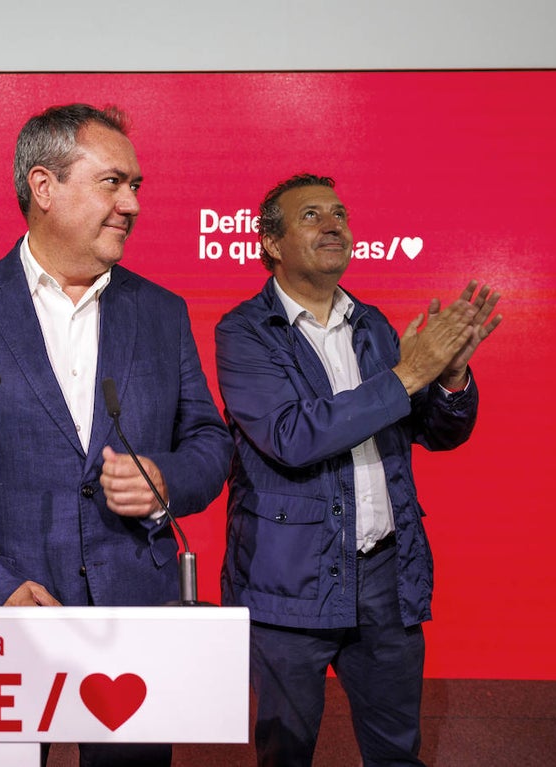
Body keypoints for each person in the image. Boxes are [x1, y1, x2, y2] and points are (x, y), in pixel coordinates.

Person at [0, 104, 232, 766]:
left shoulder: (162, 312)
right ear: (44, 187)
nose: (131, 203)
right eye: (113, 182)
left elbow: (211, 442)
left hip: (134, 620)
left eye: (136, 187)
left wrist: (164, 482)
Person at [215, 173, 502, 767]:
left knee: (397, 751)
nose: (334, 225)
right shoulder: (243, 332)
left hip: (384, 575)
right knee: (285, 753)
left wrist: (449, 377)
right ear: (270, 243)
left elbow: (434, 431)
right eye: (312, 215)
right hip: (286, 583)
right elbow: (291, 436)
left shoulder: (372, 324)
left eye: (340, 214)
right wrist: (409, 374)